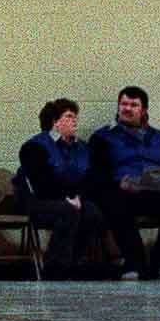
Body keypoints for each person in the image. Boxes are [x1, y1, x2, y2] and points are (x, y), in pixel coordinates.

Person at [88, 85, 160, 280]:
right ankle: (134, 263)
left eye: (133, 105)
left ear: (144, 110)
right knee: (115, 204)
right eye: (123, 104)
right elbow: (95, 173)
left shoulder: (159, 138)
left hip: (155, 189)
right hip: (122, 190)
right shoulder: (102, 137)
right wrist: (117, 185)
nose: (127, 109)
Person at [15, 98, 106, 279]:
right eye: (69, 116)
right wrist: (67, 197)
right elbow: (41, 183)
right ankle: (54, 268)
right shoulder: (34, 146)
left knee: (93, 212)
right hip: (38, 200)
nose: (75, 121)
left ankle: (73, 261)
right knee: (68, 211)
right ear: (55, 123)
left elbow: (91, 177)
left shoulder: (82, 148)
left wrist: (79, 196)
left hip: (73, 198)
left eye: (75, 117)